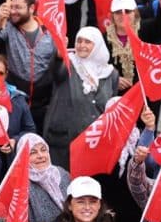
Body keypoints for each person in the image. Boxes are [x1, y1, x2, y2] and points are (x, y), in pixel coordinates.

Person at [0, 0, 57, 129]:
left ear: (31, 8)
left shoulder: (49, 30)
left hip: (43, 103)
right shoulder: (8, 26)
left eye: (18, 7)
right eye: (11, 7)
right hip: (15, 101)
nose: (13, 11)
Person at [44, 28, 118, 170]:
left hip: (92, 143)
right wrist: (59, 57)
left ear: (97, 45)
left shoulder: (111, 74)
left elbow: (110, 108)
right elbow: (55, 74)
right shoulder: (68, 63)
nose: (82, 45)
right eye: (79, 41)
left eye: (87, 42)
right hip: (63, 142)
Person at [16, 133, 71, 222]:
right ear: (22, 156)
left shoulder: (62, 174)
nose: (40, 156)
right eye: (33, 152)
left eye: (43, 150)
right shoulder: (20, 185)